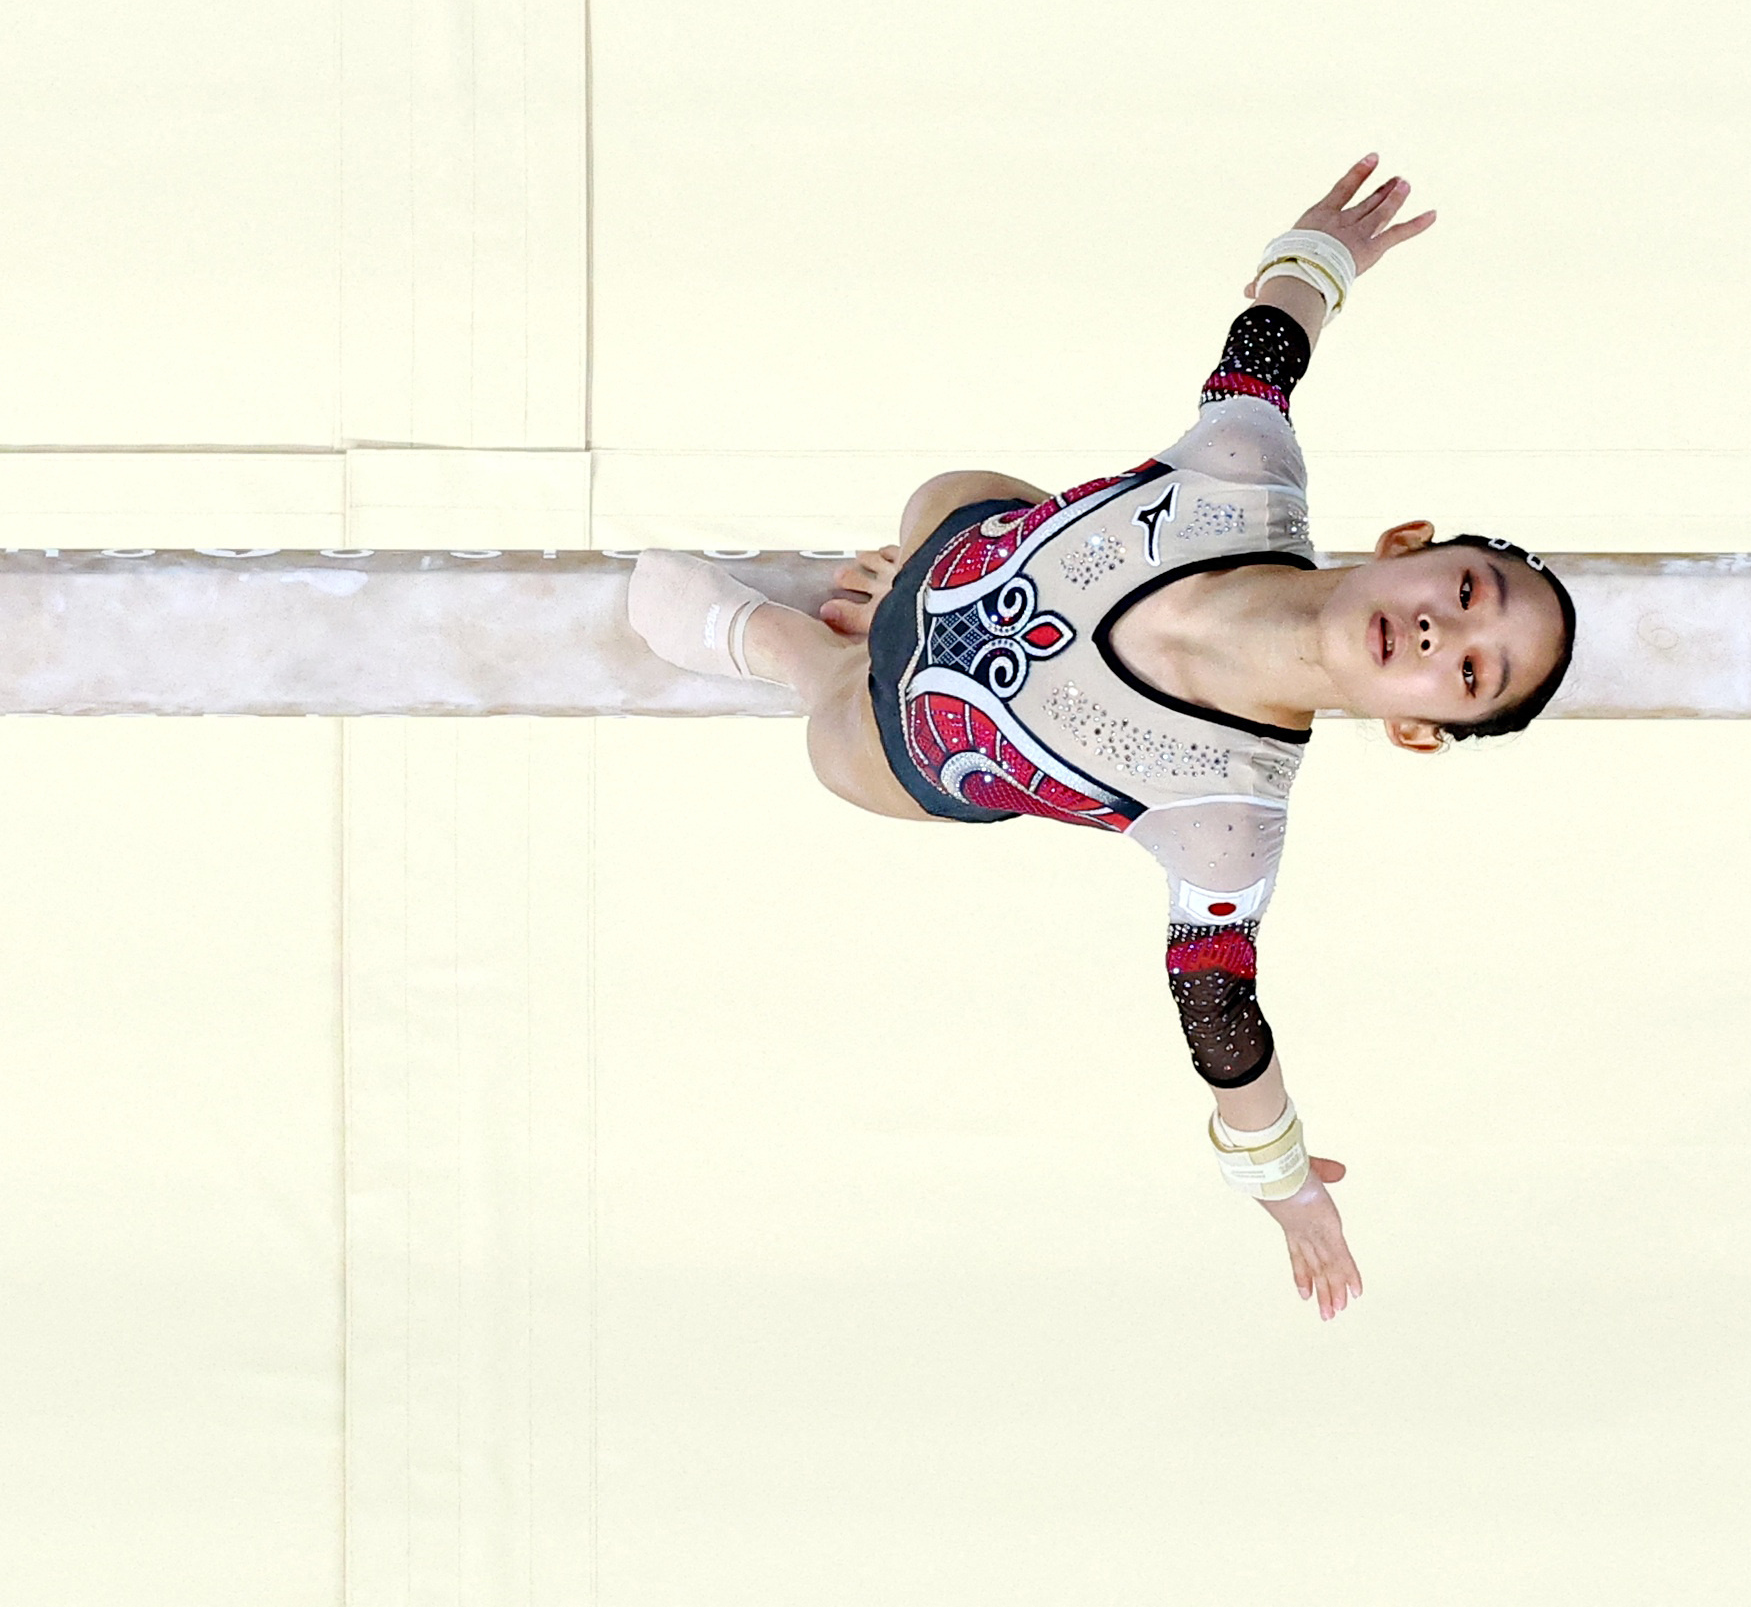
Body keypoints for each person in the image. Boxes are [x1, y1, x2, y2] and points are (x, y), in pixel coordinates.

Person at [627, 157, 1578, 1322]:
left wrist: (1278, 1178)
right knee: (950, 489)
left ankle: (789, 648)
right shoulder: (1245, 475)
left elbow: (1219, 1012)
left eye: (1469, 671)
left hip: (914, 743)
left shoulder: (1226, 816)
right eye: (1466, 589)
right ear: (1407, 543)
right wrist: (1323, 252)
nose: (1443, 629)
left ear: (1414, 727)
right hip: (968, 537)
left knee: (835, 748)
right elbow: (1265, 348)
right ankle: (905, 593)